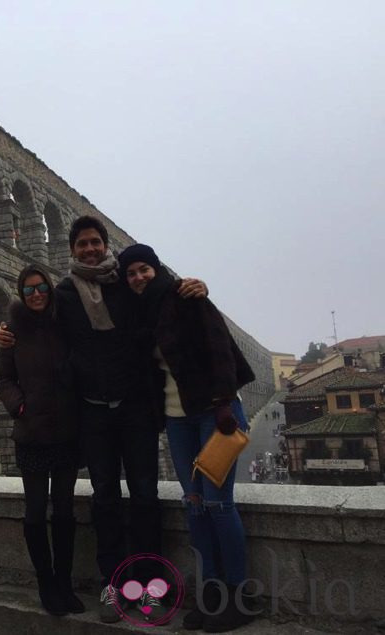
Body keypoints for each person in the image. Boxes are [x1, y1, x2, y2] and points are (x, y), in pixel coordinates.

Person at [0, 216, 206, 624]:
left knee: (145, 495)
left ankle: (148, 587)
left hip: (135, 409)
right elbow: (31, 315)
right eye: (82, 244)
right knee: (105, 497)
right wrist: (5, 331)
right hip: (92, 412)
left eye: (95, 242)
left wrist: (194, 288)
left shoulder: (126, 284)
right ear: (71, 250)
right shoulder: (64, 295)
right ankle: (115, 585)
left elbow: (161, 292)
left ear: (105, 245)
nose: (90, 249)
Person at [119, 243, 255, 633]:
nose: (138, 277)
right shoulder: (138, 314)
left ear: (155, 268)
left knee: (218, 503)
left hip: (215, 412)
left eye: (143, 269)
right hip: (177, 419)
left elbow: (220, 349)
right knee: (194, 504)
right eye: (131, 273)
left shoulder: (187, 296)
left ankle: (238, 596)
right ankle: (210, 594)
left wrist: (224, 401)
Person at [0, 263, 83, 616]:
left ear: (50, 288)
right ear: (21, 293)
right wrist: (18, 407)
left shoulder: (67, 324)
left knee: (64, 510)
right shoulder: (12, 330)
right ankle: (46, 582)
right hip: (31, 433)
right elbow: (4, 378)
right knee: (34, 512)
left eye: (41, 287)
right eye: (29, 289)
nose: (36, 294)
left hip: (66, 433)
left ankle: (64, 582)